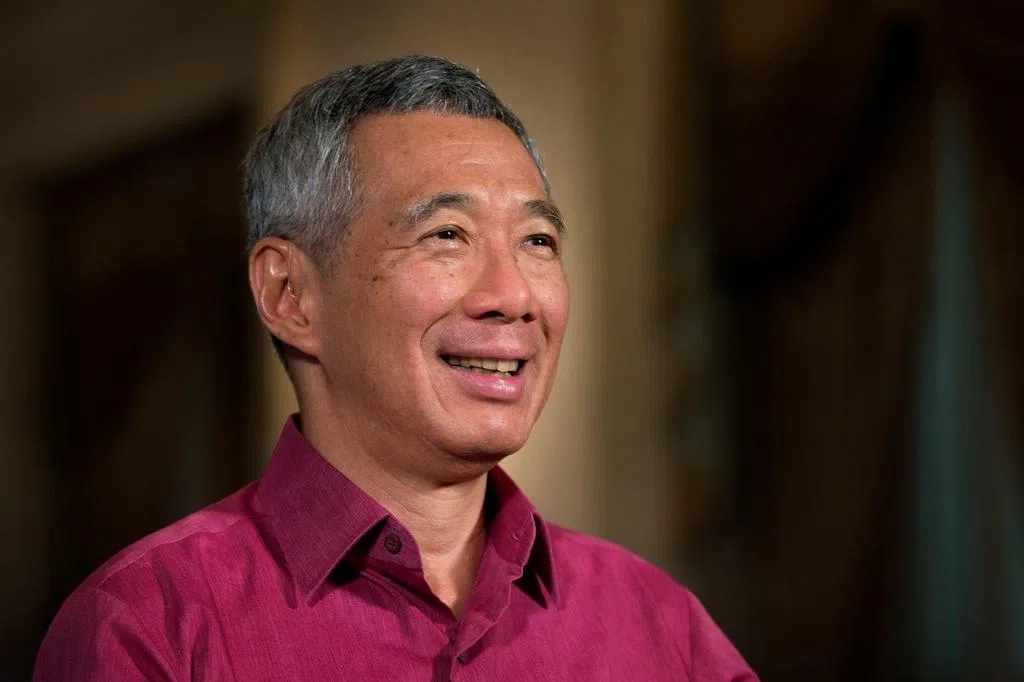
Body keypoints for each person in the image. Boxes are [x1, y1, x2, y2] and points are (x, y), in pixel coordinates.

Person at [34, 55, 757, 681]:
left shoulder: (658, 624)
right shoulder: (150, 627)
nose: (513, 296)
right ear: (290, 295)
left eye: (537, 241)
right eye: (447, 235)